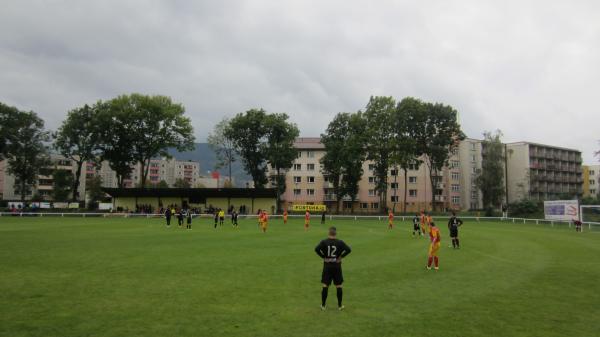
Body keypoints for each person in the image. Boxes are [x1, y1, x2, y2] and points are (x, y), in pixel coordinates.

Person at [315, 226, 352, 311]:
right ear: (336, 233)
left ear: (328, 233)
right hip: (337, 266)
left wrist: (323, 257)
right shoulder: (340, 242)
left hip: (327, 266)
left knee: (325, 285)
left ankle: (323, 306)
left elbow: (316, 249)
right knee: (339, 285)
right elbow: (348, 250)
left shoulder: (324, 242)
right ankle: (339, 306)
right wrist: (341, 257)